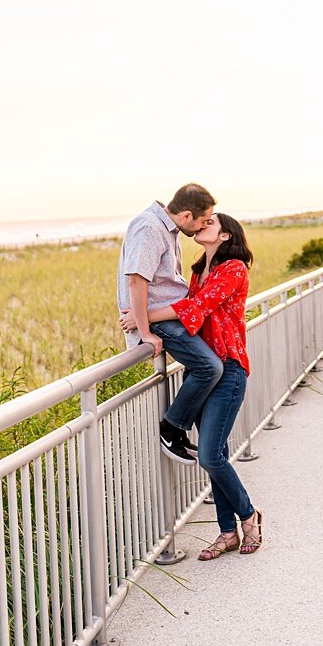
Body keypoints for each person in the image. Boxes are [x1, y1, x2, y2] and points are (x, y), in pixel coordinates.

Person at [120, 213, 262, 559]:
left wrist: (141, 317)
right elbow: (187, 312)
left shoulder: (234, 269)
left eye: (210, 222)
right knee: (217, 455)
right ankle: (227, 532)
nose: (202, 225)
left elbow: (198, 307)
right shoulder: (199, 271)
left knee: (211, 455)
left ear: (226, 236)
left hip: (227, 369)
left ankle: (249, 516)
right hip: (203, 371)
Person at [118, 183, 221, 463]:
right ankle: (171, 428)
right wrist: (145, 330)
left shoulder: (167, 228)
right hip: (159, 319)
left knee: (204, 366)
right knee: (209, 367)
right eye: (203, 221)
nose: (203, 227)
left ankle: (179, 429)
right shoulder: (150, 227)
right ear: (186, 215)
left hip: (170, 313)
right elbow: (137, 280)